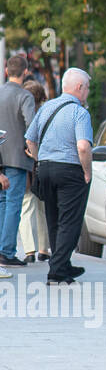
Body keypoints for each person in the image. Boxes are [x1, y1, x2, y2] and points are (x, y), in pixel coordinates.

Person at [24, 68, 93, 285]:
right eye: (87, 88)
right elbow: (83, 147)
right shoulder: (79, 112)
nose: (88, 92)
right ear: (79, 87)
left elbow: (30, 140)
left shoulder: (47, 108)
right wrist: (87, 171)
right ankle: (56, 270)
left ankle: (63, 266)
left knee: (53, 219)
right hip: (70, 171)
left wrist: (39, 159)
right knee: (70, 221)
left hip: (45, 169)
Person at [0, 53, 37, 267]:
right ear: (25, 72)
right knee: (14, 203)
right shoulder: (25, 96)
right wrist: (35, 154)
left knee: (3, 203)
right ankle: (7, 251)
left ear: (7, 71)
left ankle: (1, 249)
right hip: (17, 157)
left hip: (0, 157)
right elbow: (32, 127)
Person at [17, 75, 49, 262]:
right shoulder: (45, 116)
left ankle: (29, 250)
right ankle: (44, 249)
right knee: (42, 207)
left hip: (24, 164)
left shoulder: (20, 116)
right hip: (43, 165)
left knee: (26, 206)